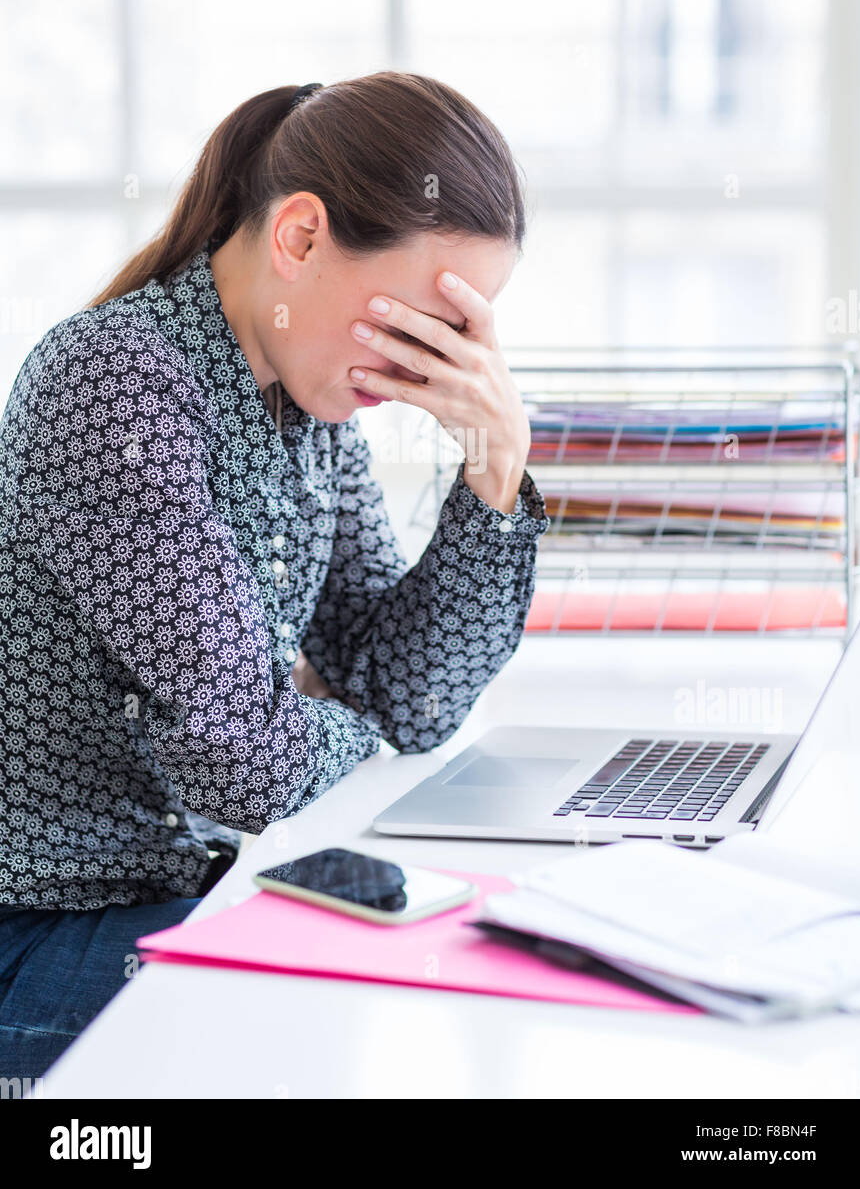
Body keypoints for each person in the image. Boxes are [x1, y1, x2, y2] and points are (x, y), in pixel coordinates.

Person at [0, 72, 549, 1078]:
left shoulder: (306, 405)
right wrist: (347, 717)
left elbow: (407, 691)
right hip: (50, 926)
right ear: (298, 237)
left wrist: (492, 467)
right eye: (420, 325)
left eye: (461, 337)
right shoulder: (118, 383)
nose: (430, 368)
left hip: (201, 882)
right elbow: (243, 764)